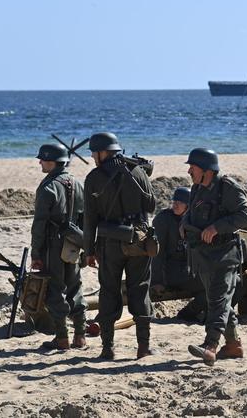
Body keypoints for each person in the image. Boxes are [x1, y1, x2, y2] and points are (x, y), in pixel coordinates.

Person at [83, 132, 156, 360]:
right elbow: (151, 205)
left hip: (109, 244)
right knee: (140, 290)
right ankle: (143, 348)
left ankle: (108, 349)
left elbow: (90, 219)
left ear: (104, 152)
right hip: (138, 240)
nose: (94, 157)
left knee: (109, 293)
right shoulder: (138, 171)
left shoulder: (94, 177)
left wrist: (89, 250)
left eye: (95, 152)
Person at [182, 148, 247, 366]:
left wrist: (217, 227)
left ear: (206, 170)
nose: (189, 171)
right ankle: (233, 345)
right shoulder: (197, 188)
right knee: (221, 302)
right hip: (203, 255)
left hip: (225, 255)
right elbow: (191, 213)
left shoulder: (227, 187)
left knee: (218, 300)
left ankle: (210, 346)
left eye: (192, 167)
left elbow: (246, 215)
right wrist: (184, 225)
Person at [31, 143, 87, 350]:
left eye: (43, 159)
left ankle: (62, 338)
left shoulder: (48, 187)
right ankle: (80, 336)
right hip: (74, 244)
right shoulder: (77, 183)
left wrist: (36, 253)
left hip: (52, 248)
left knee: (55, 291)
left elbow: (39, 225)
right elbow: (85, 219)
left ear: (53, 162)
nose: (39, 162)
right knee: (75, 288)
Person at [151, 186, 207, 323]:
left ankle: (192, 312)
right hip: (172, 270)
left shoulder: (193, 220)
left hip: (190, 268)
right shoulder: (164, 220)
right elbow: (157, 253)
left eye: (180, 202)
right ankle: (187, 313)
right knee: (211, 284)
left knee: (217, 282)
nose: (175, 204)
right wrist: (157, 281)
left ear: (188, 206)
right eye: (174, 201)